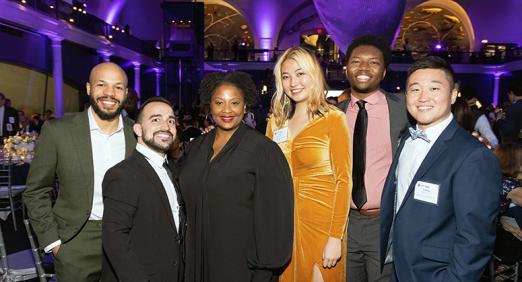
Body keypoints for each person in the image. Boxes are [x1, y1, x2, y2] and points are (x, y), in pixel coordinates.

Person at [380, 56, 502, 281]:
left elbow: (475, 238)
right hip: (399, 267)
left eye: (434, 88)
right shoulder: (406, 140)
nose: (423, 97)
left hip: (437, 273)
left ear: (454, 94)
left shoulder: (473, 156)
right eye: (415, 89)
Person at [23, 62, 136, 281]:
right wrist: (54, 243)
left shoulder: (138, 134)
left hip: (128, 238)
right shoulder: (58, 131)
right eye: (101, 85)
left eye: (118, 87)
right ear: (88, 88)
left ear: (126, 93)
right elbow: (36, 190)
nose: (109, 93)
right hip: (75, 241)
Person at [179, 71, 293, 282]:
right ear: (209, 106)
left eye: (234, 103)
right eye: (219, 102)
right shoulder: (195, 148)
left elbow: (276, 215)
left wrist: (264, 270)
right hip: (198, 258)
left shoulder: (263, 150)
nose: (227, 110)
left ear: (245, 105)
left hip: (241, 263)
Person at [267, 46, 351, 281]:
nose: (293, 82)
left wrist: (335, 237)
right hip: (283, 225)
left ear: (314, 75)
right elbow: (267, 178)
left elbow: (344, 181)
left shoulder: (333, 119)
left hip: (322, 225)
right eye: (286, 76)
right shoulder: (276, 122)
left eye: (300, 73)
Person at [336, 35, 410, 282]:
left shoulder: (404, 109)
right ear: (346, 68)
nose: (364, 68)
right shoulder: (332, 115)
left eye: (373, 62)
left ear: (385, 71)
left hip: (385, 223)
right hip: (342, 224)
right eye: (356, 61)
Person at [102, 97, 185, 282]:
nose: (166, 126)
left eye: (171, 121)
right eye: (156, 119)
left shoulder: (172, 169)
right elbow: (114, 239)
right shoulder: (122, 174)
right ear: (138, 129)